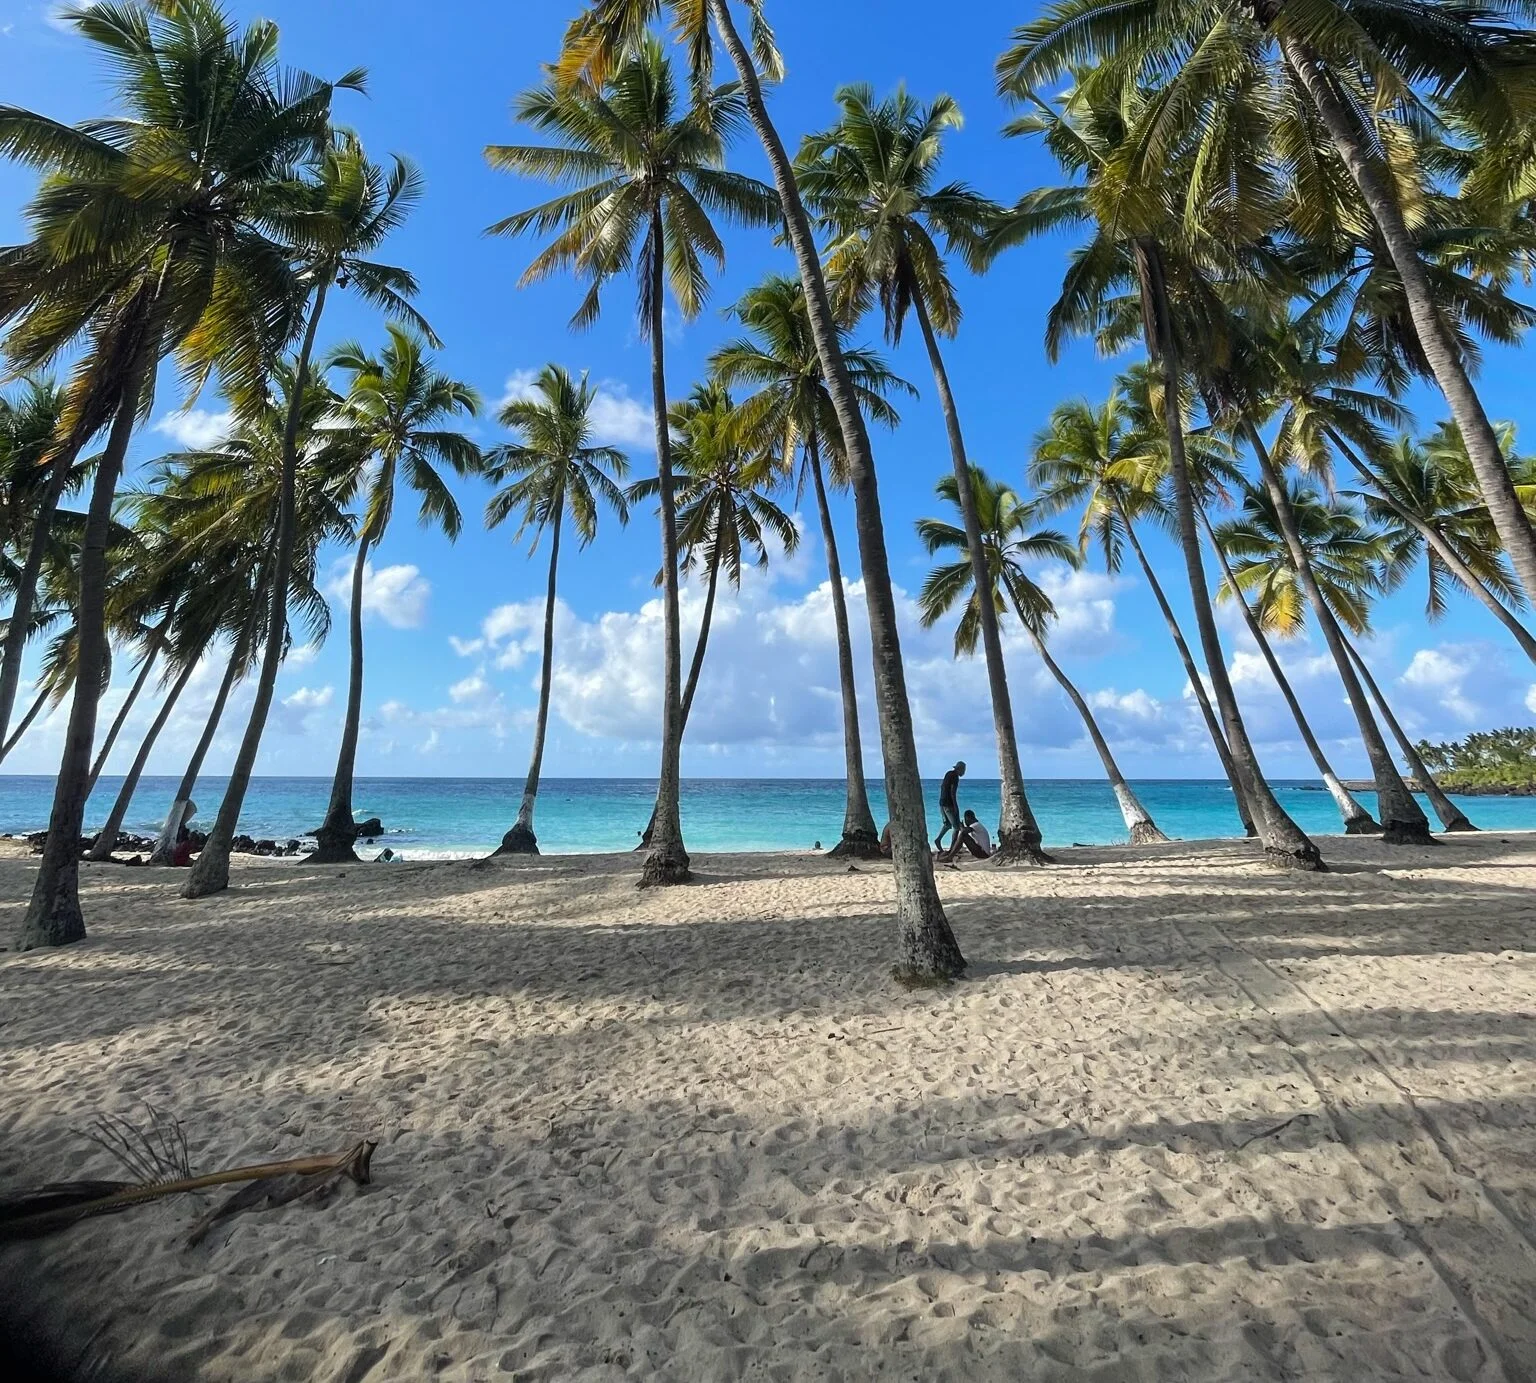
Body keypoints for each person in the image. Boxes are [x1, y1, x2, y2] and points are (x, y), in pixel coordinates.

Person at [935, 760, 966, 852]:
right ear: (959, 769)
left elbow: (943, 787)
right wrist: (955, 805)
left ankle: (938, 840)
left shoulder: (948, 774)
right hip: (948, 804)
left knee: (947, 825)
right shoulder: (955, 777)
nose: (964, 772)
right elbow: (953, 792)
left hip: (942, 802)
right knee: (956, 827)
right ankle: (953, 849)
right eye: (963, 770)